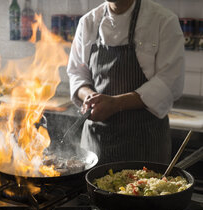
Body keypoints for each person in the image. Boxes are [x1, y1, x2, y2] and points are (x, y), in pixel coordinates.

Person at [67, 0, 185, 164]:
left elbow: (170, 82)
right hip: (96, 144)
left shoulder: (162, 20)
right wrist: (90, 96)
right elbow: (77, 73)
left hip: (145, 143)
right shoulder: (88, 22)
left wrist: (116, 103)